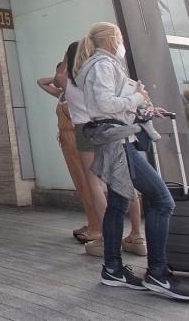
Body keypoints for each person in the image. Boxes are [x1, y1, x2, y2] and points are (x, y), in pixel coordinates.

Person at [75, 22, 189, 301]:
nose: (121, 43)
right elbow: (106, 105)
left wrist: (144, 107)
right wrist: (138, 96)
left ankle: (113, 269)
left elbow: (111, 105)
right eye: (119, 37)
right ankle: (157, 273)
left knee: (119, 203)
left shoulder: (102, 64)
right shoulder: (102, 65)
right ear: (110, 41)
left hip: (116, 138)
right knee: (162, 200)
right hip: (118, 142)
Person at [62, 41, 146, 257]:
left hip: (85, 130)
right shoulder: (103, 73)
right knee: (127, 181)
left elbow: (56, 77)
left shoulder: (71, 81)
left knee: (95, 185)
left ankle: (107, 238)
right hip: (112, 128)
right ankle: (136, 235)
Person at [37, 54, 100, 244]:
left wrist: (65, 73)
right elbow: (41, 82)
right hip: (65, 139)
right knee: (79, 183)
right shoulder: (62, 94)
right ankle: (91, 221)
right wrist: (58, 76)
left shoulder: (77, 92)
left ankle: (97, 225)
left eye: (61, 73)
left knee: (88, 182)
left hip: (77, 137)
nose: (58, 77)